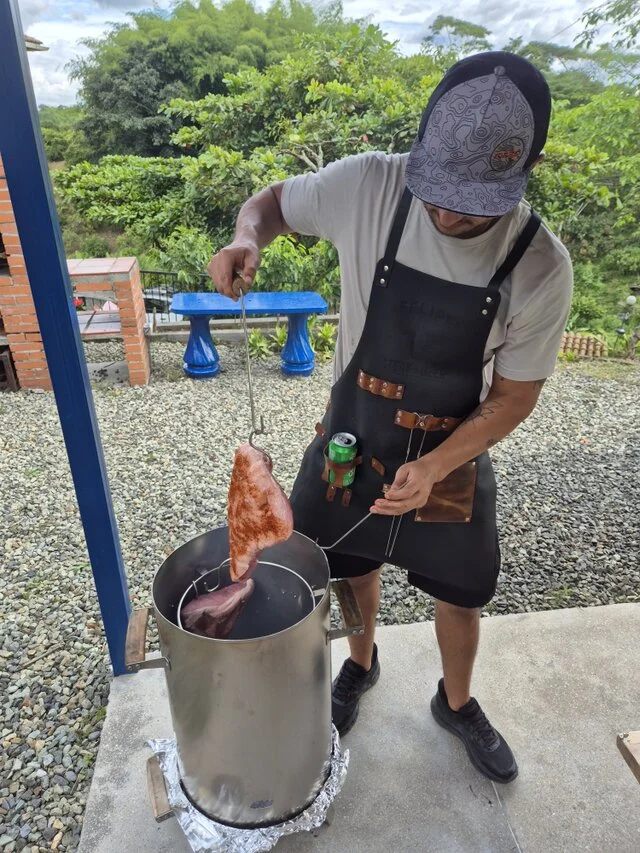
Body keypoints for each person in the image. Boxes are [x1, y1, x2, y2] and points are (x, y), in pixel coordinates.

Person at [208, 51, 573, 784]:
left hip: (452, 456)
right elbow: (271, 205)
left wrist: (436, 463)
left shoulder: (540, 264)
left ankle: (457, 701)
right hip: (352, 436)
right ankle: (361, 663)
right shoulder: (370, 182)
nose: (447, 213)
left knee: (461, 594)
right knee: (348, 565)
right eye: (438, 193)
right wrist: (249, 235)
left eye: (472, 203)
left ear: (523, 170)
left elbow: (514, 396)